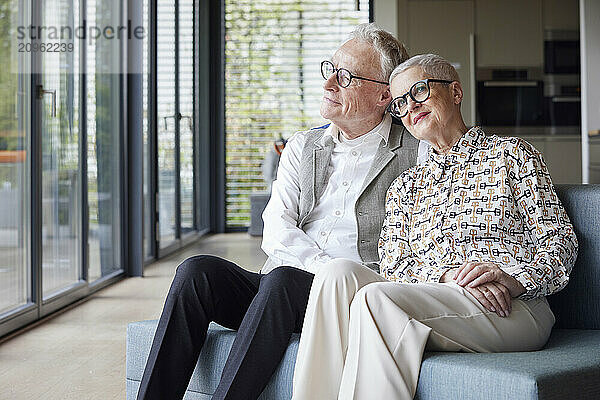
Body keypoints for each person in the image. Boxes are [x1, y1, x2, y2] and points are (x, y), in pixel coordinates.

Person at [136, 23, 429, 400]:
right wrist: (321, 267)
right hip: (279, 289)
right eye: (330, 70)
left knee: (284, 281)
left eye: (346, 77)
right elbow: (275, 227)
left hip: (346, 298)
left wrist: (329, 280)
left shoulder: (415, 152)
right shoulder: (303, 145)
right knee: (197, 272)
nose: (328, 86)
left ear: (383, 95)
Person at [291, 54, 579, 400]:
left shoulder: (511, 155)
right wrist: (446, 276)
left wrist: (514, 280)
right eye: (399, 103)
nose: (410, 106)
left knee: (375, 298)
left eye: (420, 91)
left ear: (455, 92)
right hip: (439, 297)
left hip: (511, 307)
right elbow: (395, 266)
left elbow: (559, 239)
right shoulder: (407, 185)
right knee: (336, 274)